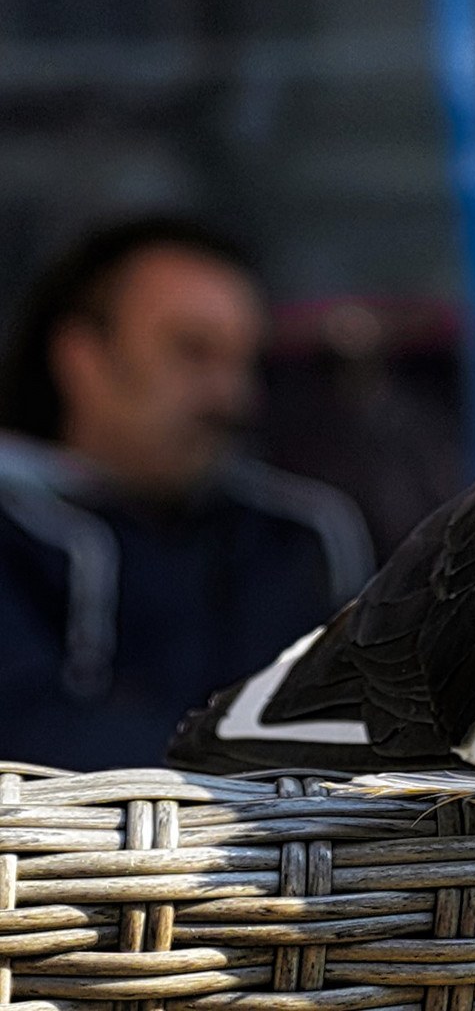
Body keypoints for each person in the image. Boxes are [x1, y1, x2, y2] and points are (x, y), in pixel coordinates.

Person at [0, 217, 373, 770]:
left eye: (244, 362)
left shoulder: (299, 534)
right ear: (81, 358)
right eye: (192, 352)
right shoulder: (14, 522)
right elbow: (30, 737)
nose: (232, 398)